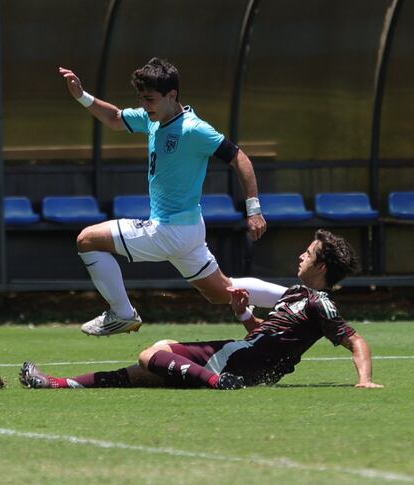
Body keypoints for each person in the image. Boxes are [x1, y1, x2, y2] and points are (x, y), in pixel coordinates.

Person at [59, 58, 287, 336]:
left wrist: (254, 209)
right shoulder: (153, 119)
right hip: (187, 230)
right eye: (142, 99)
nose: (145, 105)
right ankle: (304, 299)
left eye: (150, 99)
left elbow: (240, 158)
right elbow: (115, 118)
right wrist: (81, 96)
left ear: (172, 96)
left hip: (170, 230)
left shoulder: (194, 129)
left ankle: (121, 313)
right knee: (222, 291)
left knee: (87, 240)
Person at [20, 229, 384, 390]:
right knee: (144, 370)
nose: (301, 256)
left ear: (321, 267)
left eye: (308, 254)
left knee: (151, 353)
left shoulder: (320, 303)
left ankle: (216, 382)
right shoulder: (296, 295)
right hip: (245, 359)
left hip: (237, 366)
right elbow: (268, 340)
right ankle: (54, 383)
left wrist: (364, 379)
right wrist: (244, 315)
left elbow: (356, 341)